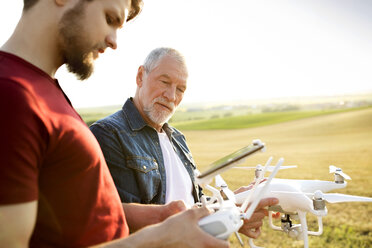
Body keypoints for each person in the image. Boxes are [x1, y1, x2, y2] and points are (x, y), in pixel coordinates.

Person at [0, 1, 234, 247]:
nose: (114, 41)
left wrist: (162, 216)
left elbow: (80, 212)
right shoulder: (11, 95)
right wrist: (161, 238)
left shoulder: (42, 90)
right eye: (109, 18)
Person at [90, 47, 279, 239]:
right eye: (165, 82)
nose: (171, 96)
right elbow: (119, 224)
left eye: (180, 89)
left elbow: (193, 204)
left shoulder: (178, 139)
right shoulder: (108, 134)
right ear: (140, 76)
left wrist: (233, 204)